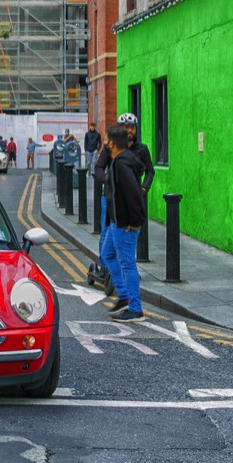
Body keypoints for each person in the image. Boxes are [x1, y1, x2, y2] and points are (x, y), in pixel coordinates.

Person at [101, 124, 147, 323]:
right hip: (116, 221)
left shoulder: (122, 163)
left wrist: (136, 222)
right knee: (107, 253)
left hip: (125, 225)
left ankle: (135, 309)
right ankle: (125, 296)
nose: (104, 141)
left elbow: (134, 193)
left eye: (105, 139)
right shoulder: (120, 159)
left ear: (111, 142)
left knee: (128, 263)